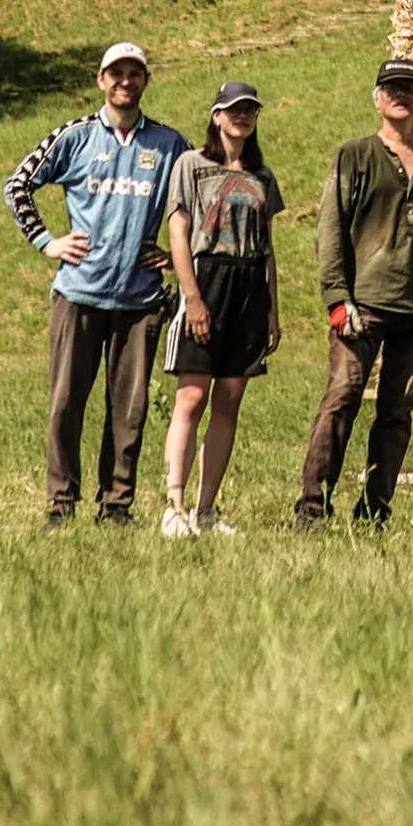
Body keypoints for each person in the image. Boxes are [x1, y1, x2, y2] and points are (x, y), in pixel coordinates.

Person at [4, 40, 187, 527]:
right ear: (101, 80)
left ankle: (116, 505)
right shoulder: (76, 136)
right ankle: (61, 501)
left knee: (129, 410)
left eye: (134, 73)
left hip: (140, 299)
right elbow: (17, 185)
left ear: (146, 81)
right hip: (79, 292)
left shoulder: (170, 144)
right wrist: (46, 241)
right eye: (116, 73)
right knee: (65, 404)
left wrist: (177, 256)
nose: (125, 81)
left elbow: (206, 195)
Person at [298, 56, 413, 530]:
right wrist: (337, 297)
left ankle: (375, 512)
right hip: (361, 308)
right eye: (392, 87)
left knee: (397, 413)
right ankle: (313, 505)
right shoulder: (354, 155)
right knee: (341, 397)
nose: (401, 95)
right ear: (377, 99)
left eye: (410, 87)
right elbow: (330, 230)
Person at [157, 78, 282, 537]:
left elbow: (267, 246)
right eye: (234, 109)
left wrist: (272, 309)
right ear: (216, 116)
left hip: (249, 286)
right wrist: (191, 297)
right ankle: (174, 506)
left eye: (250, 109)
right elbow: (178, 231)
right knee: (192, 396)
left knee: (229, 399)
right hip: (206, 278)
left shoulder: (263, 176)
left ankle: (205, 510)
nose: (242, 116)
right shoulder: (190, 164)